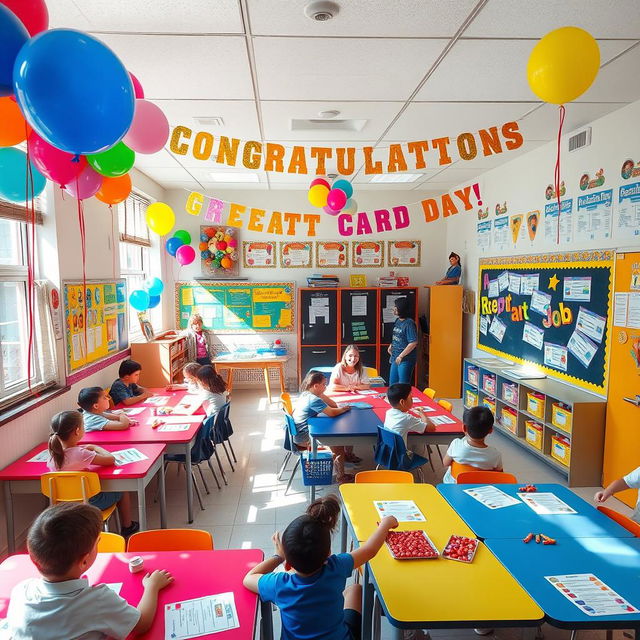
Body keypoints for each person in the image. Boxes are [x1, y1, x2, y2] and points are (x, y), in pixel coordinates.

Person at [7, 503, 173, 639]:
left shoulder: (21, 591)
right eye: (98, 542)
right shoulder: (97, 600)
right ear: (84, 561)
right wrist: (152, 586)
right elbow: (142, 624)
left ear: (34, 560)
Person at [243, 494, 398, 640]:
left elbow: (248, 578)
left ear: (288, 564)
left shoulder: (279, 584)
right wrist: (385, 524)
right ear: (329, 554)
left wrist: (279, 556)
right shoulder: (337, 566)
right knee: (356, 589)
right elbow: (370, 550)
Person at [47, 410, 139, 538]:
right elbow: (110, 459)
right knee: (122, 489)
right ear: (77, 431)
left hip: (62, 504)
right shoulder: (82, 453)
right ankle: (127, 526)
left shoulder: (53, 456)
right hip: (90, 502)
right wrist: (95, 447)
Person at [292, 371, 353, 484]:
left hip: (299, 433)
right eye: (324, 384)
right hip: (304, 439)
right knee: (339, 445)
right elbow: (332, 412)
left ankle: (341, 467)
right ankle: (341, 476)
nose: (325, 387)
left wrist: (321, 393)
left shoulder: (307, 394)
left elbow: (333, 405)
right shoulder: (313, 399)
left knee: (335, 439)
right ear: (315, 386)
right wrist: (345, 409)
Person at [442, 406, 503, 483]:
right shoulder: (496, 455)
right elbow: (499, 475)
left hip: (452, 488)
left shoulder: (456, 444)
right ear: (490, 430)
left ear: (464, 428)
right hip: (480, 490)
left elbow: (445, 463)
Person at [384, 383, 435, 458]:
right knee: (419, 454)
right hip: (401, 458)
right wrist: (421, 413)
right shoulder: (407, 418)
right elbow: (431, 428)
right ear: (402, 402)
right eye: (411, 398)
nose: (412, 400)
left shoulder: (388, 412)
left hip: (388, 453)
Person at [387, 296, 418, 385]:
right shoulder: (398, 320)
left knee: (402, 385)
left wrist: (401, 356)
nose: (394, 309)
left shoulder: (409, 323)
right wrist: (391, 345)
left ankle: (403, 399)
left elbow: (413, 342)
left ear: (401, 309)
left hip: (405, 359)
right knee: (393, 384)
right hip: (395, 357)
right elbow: (397, 335)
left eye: (396, 307)